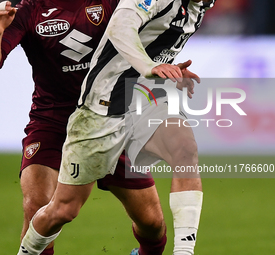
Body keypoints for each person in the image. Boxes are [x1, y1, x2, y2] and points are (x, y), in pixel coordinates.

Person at [18, 0, 215, 255]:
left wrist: (166, 70)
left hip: (142, 98)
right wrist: (149, 66)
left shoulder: (201, 4)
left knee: (185, 149)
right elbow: (120, 26)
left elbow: (153, 39)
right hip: (103, 106)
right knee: (63, 209)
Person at [0, 1, 168, 254]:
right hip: (52, 122)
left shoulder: (111, 3)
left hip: (108, 119)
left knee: (152, 224)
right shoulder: (28, 10)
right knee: (38, 206)